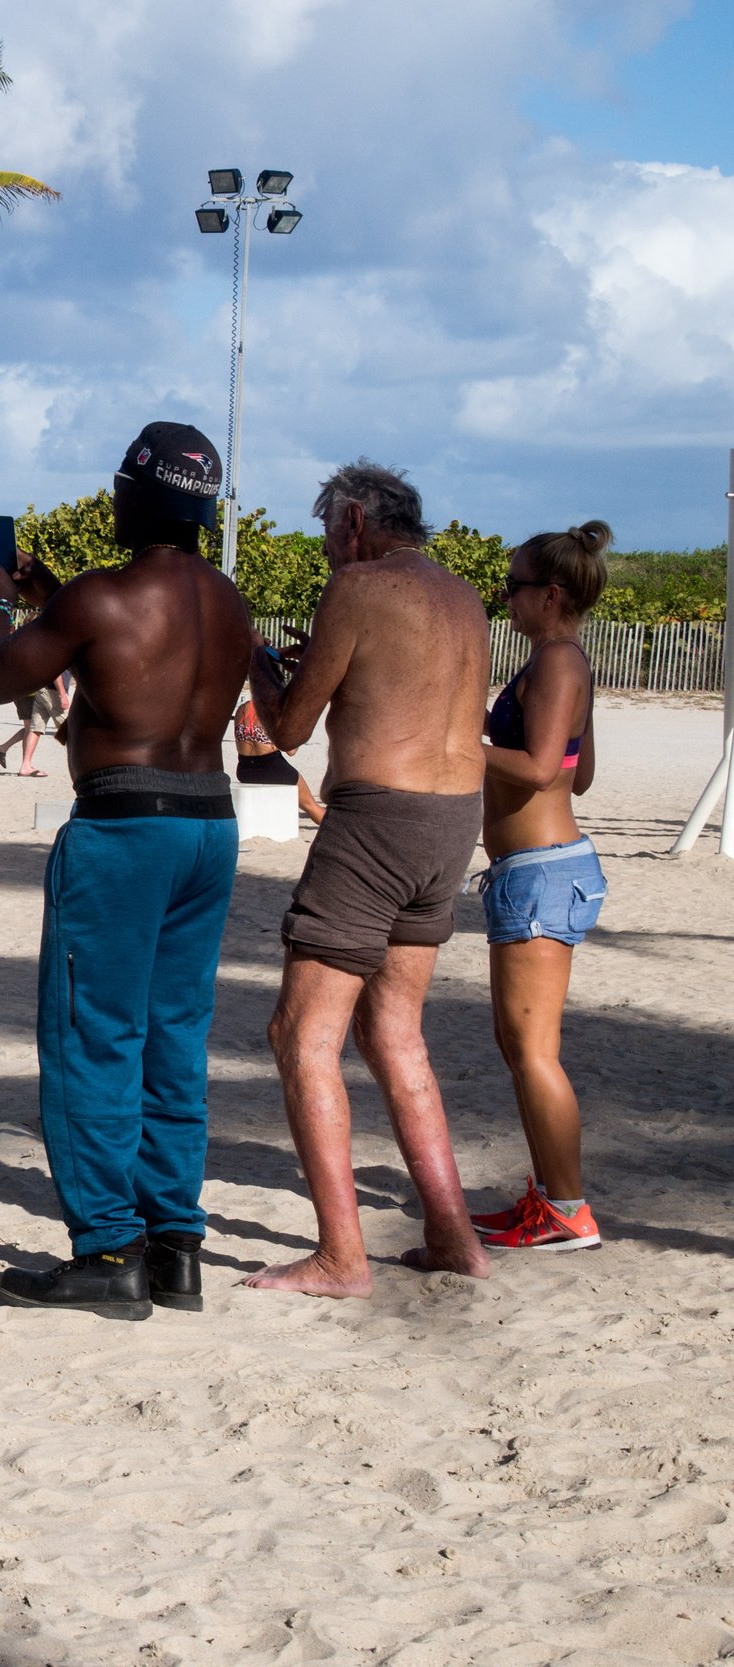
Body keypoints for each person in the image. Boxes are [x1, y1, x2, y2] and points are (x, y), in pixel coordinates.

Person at [0, 422, 253, 1319]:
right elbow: (145, 653)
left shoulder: (99, 596)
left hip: (125, 825)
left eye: (120, 485)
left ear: (142, 494)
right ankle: (175, 1245)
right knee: (175, 1036)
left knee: (95, 1036)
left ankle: (107, 1247)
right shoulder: (231, 601)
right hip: (209, 824)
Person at [244, 460, 493, 1297]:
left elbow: (284, 726)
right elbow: (402, 690)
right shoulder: (464, 598)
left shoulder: (357, 586)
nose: (324, 553)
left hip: (377, 818)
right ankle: (454, 1236)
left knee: (300, 1035)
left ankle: (341, 1258)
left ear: (354, 520)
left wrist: (254, 656)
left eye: (325, 533)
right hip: (454, 821)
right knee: (395, 1034)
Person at [472, 523, 611, 1253]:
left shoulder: (556, 660)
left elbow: (538, 767)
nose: (507, 598)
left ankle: (568, 1210)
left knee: (532, 1050)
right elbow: (578, 772)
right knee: (517, 1043)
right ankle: (548, 1196)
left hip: (542, 872)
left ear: (550, 593)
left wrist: (460, 742)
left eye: (514, 585)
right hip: (536, 868)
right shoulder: (563, 663)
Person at [232, 695, 322, 824]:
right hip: (272, 769)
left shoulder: (242, 709)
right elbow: (291, 751)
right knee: (311, 806)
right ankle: (338, 830)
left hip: (245, 770)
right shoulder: (273, 712)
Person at [0, 671, 69, 776]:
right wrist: (62, 693)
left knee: (34, 727)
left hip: (27, 690)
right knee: (32, 727)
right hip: (28, 692)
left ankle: (6, 750)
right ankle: (9, 753)